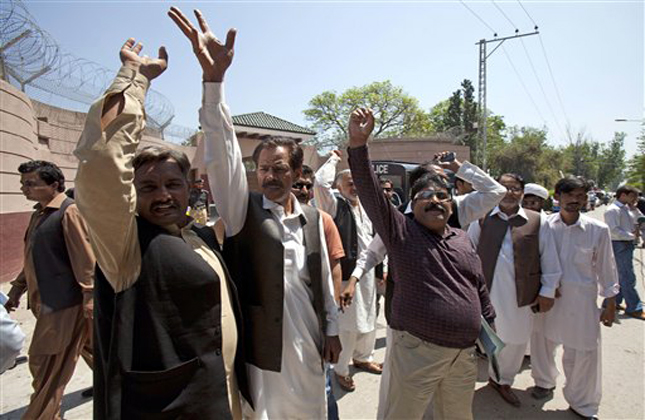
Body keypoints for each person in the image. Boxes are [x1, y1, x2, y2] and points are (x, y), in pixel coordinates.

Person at [168, 8, 341, 418]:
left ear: (298, 172)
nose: (269, 176)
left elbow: (322, 282)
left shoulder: (314, 218)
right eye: (263, 169)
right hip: (262, 347)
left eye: (279, 169)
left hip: (309, 341)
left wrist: (332, 329)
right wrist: (214, 82)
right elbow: (223, 151)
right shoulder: (242, 209)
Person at [74, 38, 250, 419]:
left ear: (191, 188)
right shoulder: (125, 244)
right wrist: (135, 78)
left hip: (225, 398)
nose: (164, 196)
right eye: (148, 187)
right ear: (132, 195)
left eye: (173, 184)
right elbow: (103, 160)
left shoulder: (200, 235)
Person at [347, 108, 495, 420]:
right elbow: (371, 193)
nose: (435, 200)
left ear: (451, 205)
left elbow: (476, 282)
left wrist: (489, 321)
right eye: (425, 195)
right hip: (417, 353)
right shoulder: (402, 231)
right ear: (412, 205)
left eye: (442, 195)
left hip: (463, 357)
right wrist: (359, 144)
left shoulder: (461, 238)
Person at [4, 160, 94, 419]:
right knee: (92, 349)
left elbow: (85, 259)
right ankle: (119, 385)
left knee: (46, 363)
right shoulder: (39, 214)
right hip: (45, 301)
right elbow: (33, 258)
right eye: (23, 184)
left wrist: (90, 296)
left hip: (65, 305)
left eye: (31, 183)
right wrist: (17, 290)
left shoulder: (69, 212)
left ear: (54, 185)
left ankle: (42, 414)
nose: (24, 189)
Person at [468, 173, 561, 407]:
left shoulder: (538, 220)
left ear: (522, 192)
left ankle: (503, 380)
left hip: (522, 295)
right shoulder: (482, 217)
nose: (509, 192)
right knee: (490, 337)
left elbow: (549, 258)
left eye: (515, 188)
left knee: (517, 340)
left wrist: (547, 291)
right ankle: (494, 376)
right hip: (487, 292)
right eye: (504, 187)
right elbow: (467, 253)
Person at [531, 176, 618, 420]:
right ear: (557, 197)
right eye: (569, 195)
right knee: (542, 342)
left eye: (580, 196)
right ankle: (544, 382)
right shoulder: (544, 225)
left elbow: (606, 268)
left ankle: (582, 403)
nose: (574, 201)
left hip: (581, 300)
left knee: (584, 351)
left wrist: (610, 303)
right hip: (547, 296)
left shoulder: (597, 230)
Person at [315, 151, 381, 393]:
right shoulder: (334, 205)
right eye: (349, 183)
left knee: (369, 317)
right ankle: (341, 370)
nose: (354, 187)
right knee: (348, 325)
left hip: (367, 275)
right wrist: (333, 159)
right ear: (339, 186)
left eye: (357, 183)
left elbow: (375, 241)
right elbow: (320, 183)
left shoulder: (366, 206)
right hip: (345, 276)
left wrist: (380, 270)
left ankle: (364, 357)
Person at [292, 164, 344, 420]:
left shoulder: (321, 219)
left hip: (317, 320)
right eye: (297, 185)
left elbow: (334, 266)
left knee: (323, 386)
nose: (303, 190)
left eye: (307, 186)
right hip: (285, 324)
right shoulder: (264, 219)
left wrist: (331, 318)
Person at [604, 184, 644, 319]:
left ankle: (613, 301)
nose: (634, 199)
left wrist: (635, 209)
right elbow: (614, 230)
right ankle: (634, 307)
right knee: (627, 276)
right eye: (632, 196)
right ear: (623, 195)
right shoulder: (613, 210)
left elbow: (640, 220)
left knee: (621, 275)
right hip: (619, 244)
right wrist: (632, 236)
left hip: (626, 244)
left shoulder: (627, 209)